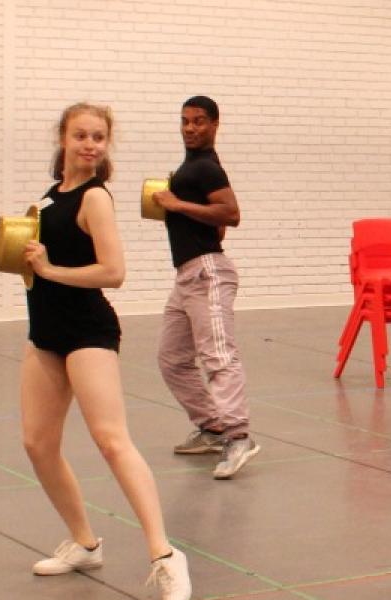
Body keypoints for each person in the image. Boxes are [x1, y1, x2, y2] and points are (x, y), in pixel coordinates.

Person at [20, 102, 191, 600]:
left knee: (111, 440)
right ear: (63, 139)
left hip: (87, 330)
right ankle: (85, 544)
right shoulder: (51, 198)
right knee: (37, 443)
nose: (90, 144)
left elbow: (113, 272)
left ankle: (166, 555)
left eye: (99, 137)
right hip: (45, 332)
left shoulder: (95, 198)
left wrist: (49, 270)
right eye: (81, 136)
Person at [153, 95, 260, 479]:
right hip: (187, 277)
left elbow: (231, 215)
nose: (191, 128)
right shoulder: (190, 167)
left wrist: (176, 205)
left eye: (199, 121)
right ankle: (213, 426)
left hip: (207, 274)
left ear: (215, 124)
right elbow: (214, 223)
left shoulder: (206, 168)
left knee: (218, 356)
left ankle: (238, 435)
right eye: (185, 121)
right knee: (172, 359)